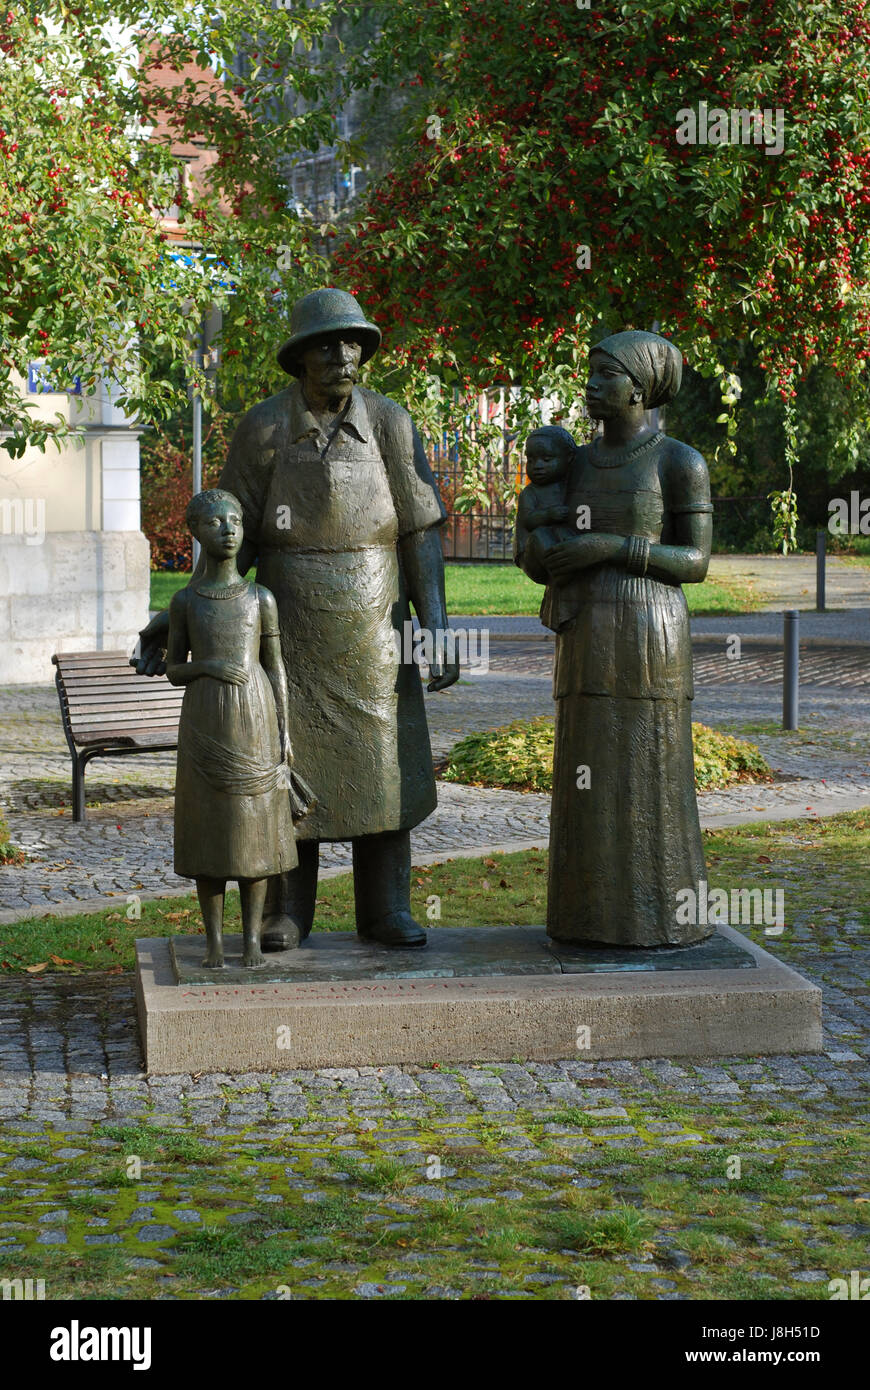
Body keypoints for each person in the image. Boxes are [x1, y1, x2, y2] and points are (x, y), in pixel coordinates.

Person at [134, 288, 458, 950]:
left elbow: (420, 528)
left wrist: (437, 622)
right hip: (292, 619)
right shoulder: (263, 428)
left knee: (385, 762)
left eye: (353, 344)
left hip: (376, 621)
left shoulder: (391, 423)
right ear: (300, 357)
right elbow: (233, 535)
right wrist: (184, 610)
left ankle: (387, 907)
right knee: (288, 753)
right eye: (326, 345)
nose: (342, 356)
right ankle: (287, 910)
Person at [519, 330, 714, 948]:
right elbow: (537, 546)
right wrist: (541, 552)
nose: (592, 384)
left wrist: (610, 547)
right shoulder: (571, 462)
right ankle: (586, 918)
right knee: (589, 768)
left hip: (651, 630)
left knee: (650, 766)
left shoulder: (678, 462)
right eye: (592, 372)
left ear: (640, 387)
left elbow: (696, 561)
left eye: (606, 374)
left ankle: (663, 918)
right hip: (585, 629)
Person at [166, 489, 296, 968]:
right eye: (215, 522)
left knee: (252, 827)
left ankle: (253, 941)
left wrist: (285, 732)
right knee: (211, 828)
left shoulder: (260, 598)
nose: (228, 530)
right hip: (205, 717)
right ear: (196, 532)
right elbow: (173, 669)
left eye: (235, 521)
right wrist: (209, 666)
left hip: (255, 715)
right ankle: (215, 944)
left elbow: (276, 667)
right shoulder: (186, 601)